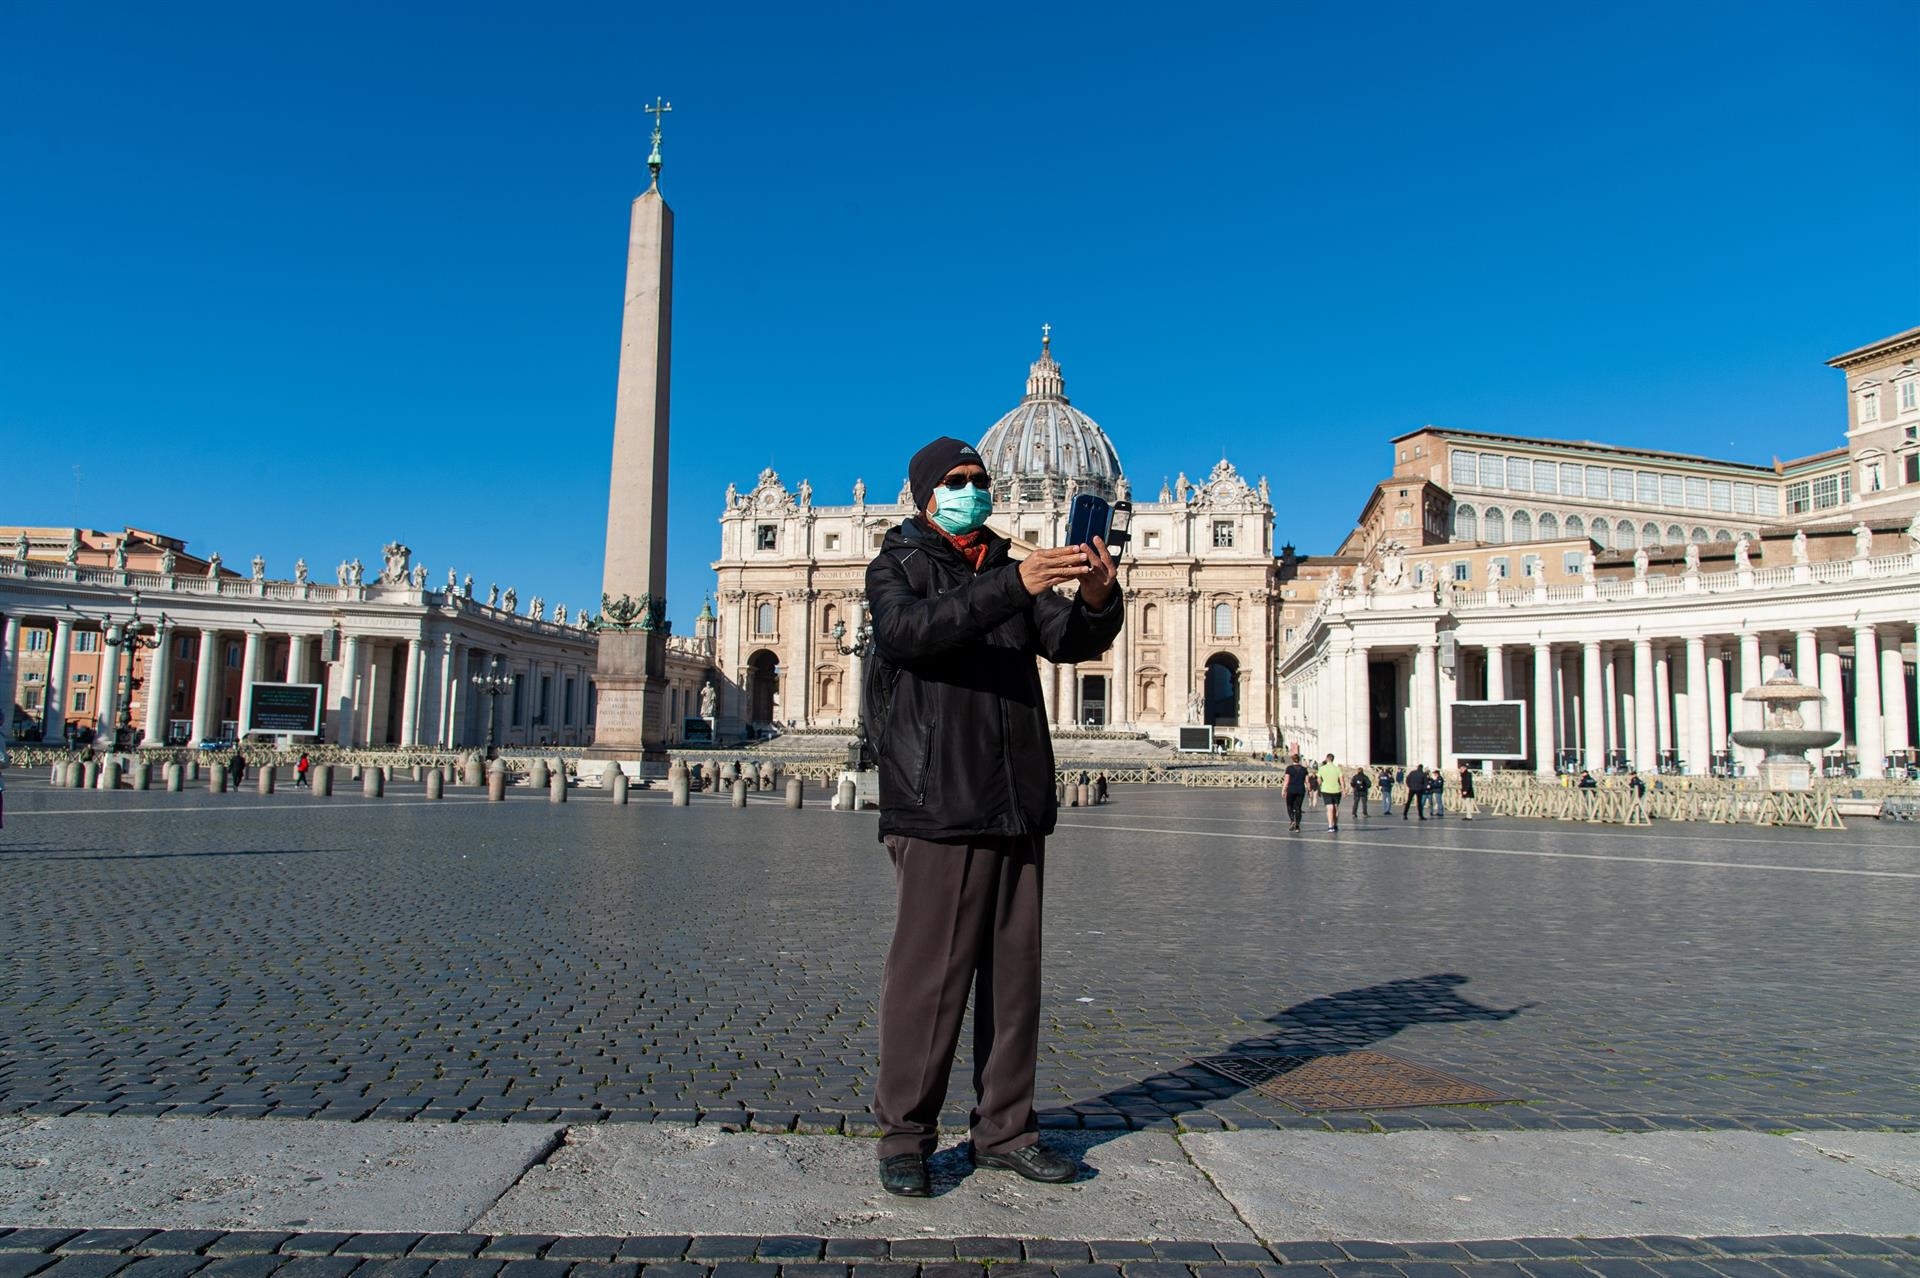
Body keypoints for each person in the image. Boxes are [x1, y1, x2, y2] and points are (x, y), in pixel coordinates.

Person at [864, 436, 1123, 1199]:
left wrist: (1097, 598)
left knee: (1014, 986)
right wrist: (1014, 583)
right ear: (926, 495)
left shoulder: (1011, 563)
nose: (973, 488)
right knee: (929, 980)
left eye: (981, 478)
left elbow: (1068, 641)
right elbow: (910, 633)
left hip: (1015, 798)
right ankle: (905, 1136)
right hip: (937, 801)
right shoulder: (897, 565)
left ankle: (1006, 1131)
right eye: (958, 479)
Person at [1282, 751, 1310, 831]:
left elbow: (1286, 781)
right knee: (1298, 807)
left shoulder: (1289, 768)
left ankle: (1292, 820)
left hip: (1291, 789)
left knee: (1289, 806)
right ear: (1299, 760)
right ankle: (1297, 826)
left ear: (1292, 759)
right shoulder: (1304, 769)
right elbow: (1307, 781)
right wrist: (1309, 790)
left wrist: (1283, 790)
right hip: (1301, 790)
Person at [1317, 753, 1343, 832]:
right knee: (1336, 808)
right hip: (1336, 790)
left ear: (1327, 758)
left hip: (1326, 790)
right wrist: (1344, 789)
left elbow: (1319, 781)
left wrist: (1319, 789)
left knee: (1329, 808)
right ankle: (1335, 824)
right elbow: (1341, 780)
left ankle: (1330, 826)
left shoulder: (1322, 768)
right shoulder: (1337, 768)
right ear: (1333, 759)